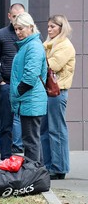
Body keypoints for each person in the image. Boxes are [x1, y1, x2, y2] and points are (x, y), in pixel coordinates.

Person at [40, 15, 76, 180]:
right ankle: (49, 165)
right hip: (49, 92)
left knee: (57, 130)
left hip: (58, 91)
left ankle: (59, 167)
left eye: (53, 26)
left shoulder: (65, 46)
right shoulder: (50, 44)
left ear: (62, 28)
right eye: (48, 26)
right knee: (45, 130)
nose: (49, 29)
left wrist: (40, 54)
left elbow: (51, 65)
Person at [10, 12, 47, 163]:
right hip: (29, 99)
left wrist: (17, 92)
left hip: (30, 99)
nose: (18, 32)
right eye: (16, 29)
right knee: (32, 140)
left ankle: (33, 176)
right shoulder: (28, 45)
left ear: (31, 27)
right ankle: (38, 174)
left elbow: (30, 76)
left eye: (21, 28)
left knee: (30, 141)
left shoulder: (33, 46)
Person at [0, 3, 25, 160]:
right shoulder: (1, 34)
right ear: (9, 16)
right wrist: (0, 81)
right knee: (6, 124)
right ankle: (5, 158)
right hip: (7, 84)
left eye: (21, 15)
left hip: (27, 86)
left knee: (29, 124)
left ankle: (30, 162)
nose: (18, 19)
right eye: (15, 15)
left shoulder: (30, 36)